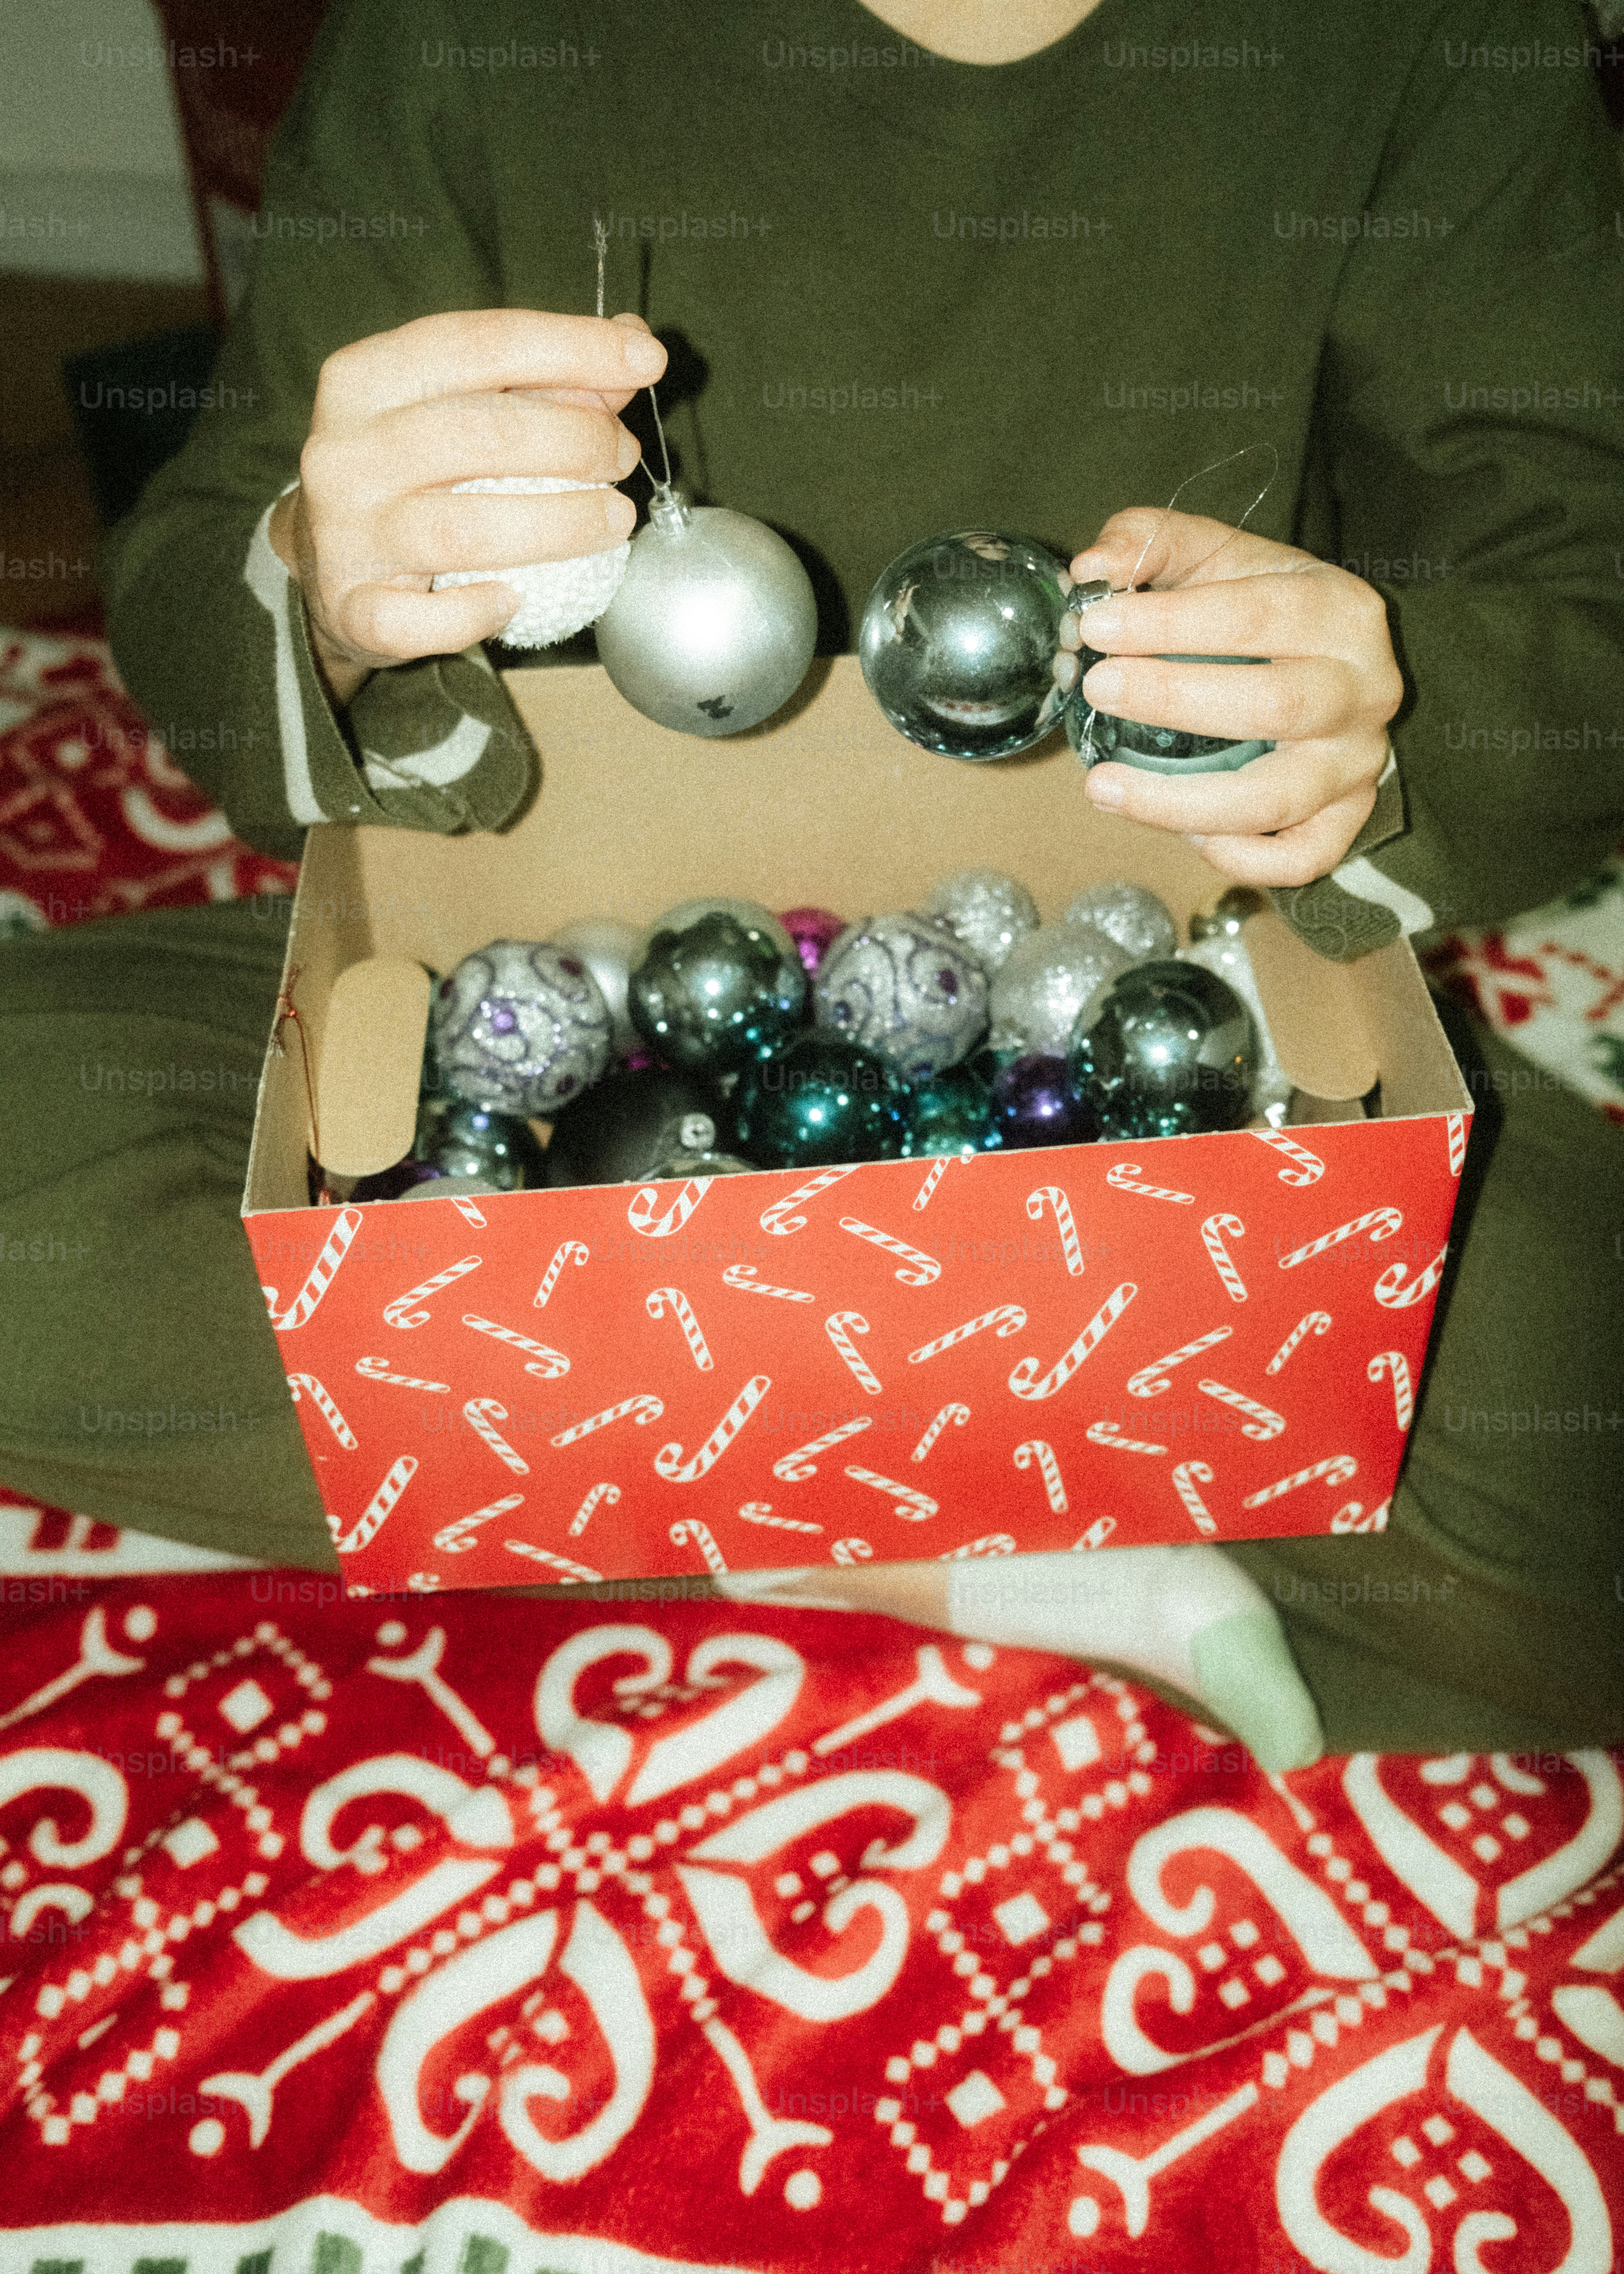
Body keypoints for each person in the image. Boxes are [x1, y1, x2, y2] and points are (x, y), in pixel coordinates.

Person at [2, 0, 1620, 1762]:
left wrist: (1378, 721)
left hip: (1175, 1009)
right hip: (553, 957)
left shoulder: (1436, 34)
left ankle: (721, 1481)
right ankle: (1014, 1537)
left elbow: (1580, 602)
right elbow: (200, 572)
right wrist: (325, 588)